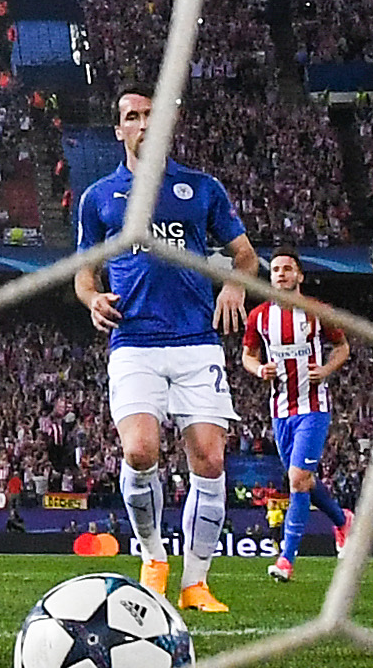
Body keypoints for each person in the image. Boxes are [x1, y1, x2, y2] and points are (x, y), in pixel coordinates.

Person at [75, 87, 261, 614]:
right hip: (133, 342)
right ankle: (153, 557)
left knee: (209, 457)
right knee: (139, 450)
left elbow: (244, 256)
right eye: (131, 117)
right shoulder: (99, 198)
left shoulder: (200, 189)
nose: (141, 124)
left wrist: (233, 285)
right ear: (120, 130)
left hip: (196, 341)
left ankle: (196, 582)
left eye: (150, 116)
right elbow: (84, 275)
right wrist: (92, 300)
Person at [240, 248, 353, 581]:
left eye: (288, 269)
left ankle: (286, 559)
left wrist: (327, 369)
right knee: (303, 478)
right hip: (280, 411)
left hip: (313, 408)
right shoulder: (259, 317)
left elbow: (343, 347)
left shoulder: (317, 312)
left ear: (299, 276)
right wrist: (260, 370)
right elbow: (248, 356)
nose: (281, 274)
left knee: (296, 480)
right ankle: (343, 519)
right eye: (275, 269)